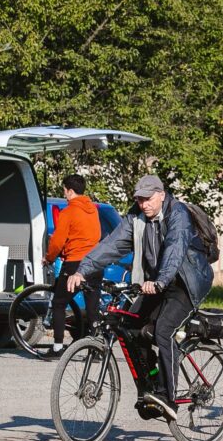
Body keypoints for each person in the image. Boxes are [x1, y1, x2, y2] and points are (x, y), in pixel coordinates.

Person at [66, 174, 214, 420]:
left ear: (161, 195)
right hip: (155, 282)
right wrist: (83, 269)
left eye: (147, 198)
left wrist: (160, 280)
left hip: (186, 281)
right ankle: (152, 387)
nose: (143, 204)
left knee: (162, 330)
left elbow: (174, 250)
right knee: (132, 328)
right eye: (139, 199)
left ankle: (168, 396)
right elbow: (111, 245)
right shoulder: (135, 218)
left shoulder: (178, 215)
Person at [44, 174, 102, 357]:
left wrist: (50, 258)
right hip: (95, 262)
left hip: (75, 263)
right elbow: (95, 235)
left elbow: (57, 240)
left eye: (64, 191)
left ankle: (57, 347)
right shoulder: (93, 210)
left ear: (69, 191)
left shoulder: (68, 212)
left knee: (59, 303)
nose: (64, 194)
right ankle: (96, 350)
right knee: (93, 307)